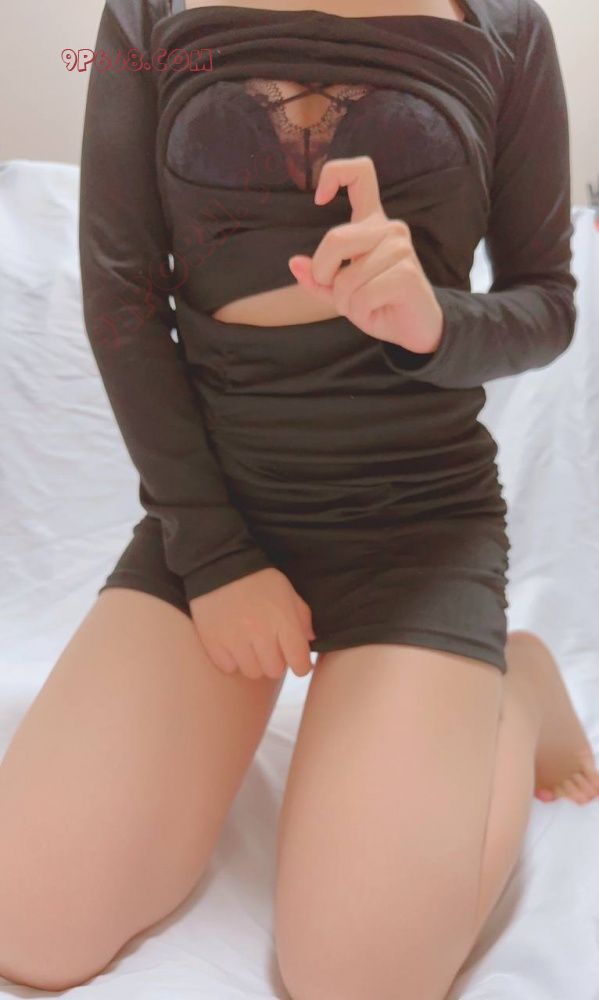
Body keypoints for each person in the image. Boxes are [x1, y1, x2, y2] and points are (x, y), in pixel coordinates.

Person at [1, 0, 597, 996]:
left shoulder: (505, 27)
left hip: (414, 525)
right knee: (27, 922)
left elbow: (546, 302)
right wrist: (216, 557)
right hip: (219, 510)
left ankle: (518, 688)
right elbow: (121, 294)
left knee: (356, 980)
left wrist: (434, 320)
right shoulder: (147, 12)